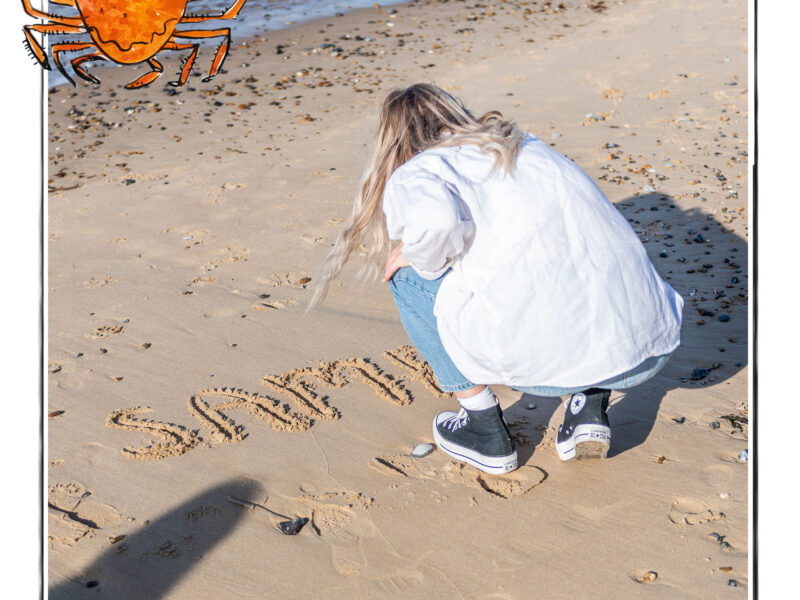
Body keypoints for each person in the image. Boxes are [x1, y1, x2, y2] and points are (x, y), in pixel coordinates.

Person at [309, 83, 683, 475]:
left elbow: (437, 224)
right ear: (455, 115)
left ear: (392, 142)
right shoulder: (522, 145)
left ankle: (483, 426)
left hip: (570, 355)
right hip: (647, 342)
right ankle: (588, 406)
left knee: (406, 276)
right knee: (574, 274)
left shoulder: (416, 172)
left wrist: (417, 255)